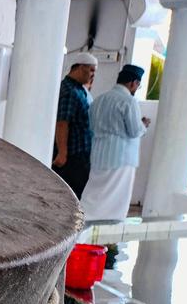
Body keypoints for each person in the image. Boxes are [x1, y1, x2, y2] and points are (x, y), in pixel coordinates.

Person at [81, 65, 150, 221]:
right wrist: (143, 125)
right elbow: (134, 131)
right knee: (115, 198)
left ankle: (82, 220)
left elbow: (91, 126)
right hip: (121, 156)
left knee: (95, 192)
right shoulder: (129, 101)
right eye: (138, 85)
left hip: (98, 154)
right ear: (133, 83)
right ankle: (109, 227)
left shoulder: (99, 100)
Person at [53, 53, 98, 197]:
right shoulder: (69, 91)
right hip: (72, 157)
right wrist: (62, 153)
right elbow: (62, 122)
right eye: (91, 70)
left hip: (80, 155)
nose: (93, 75)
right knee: (70, 195)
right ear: (80, 67)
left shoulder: (79, 89)